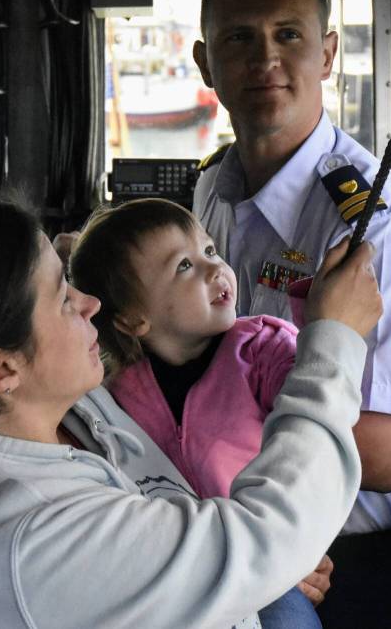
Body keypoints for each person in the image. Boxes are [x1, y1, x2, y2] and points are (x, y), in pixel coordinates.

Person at [0, 197, 381, 629]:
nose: (91, 303)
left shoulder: (71, 418)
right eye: (63, 296)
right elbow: (265, 535)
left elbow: (210, 529)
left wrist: (259, 574)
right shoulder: (28, 541)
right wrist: (333, 338)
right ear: (1, 368)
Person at [190, 0, 391, 624]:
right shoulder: (212, 191)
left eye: (289, 34)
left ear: (328, 54)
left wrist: (203, 449)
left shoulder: (377, 226)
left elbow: (384, 457)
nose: (266, 60)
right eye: (239, 38)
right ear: (206, 64)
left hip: (350, 562)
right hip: (236, 527)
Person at [68, 197, 326, 628]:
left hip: (263, 558)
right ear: (133, 321)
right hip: (180, 572)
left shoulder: (260, 349)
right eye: (183, 267)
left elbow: (314, 395)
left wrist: (318, 319)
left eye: (209, 250)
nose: (214, 269)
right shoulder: (117, 396)